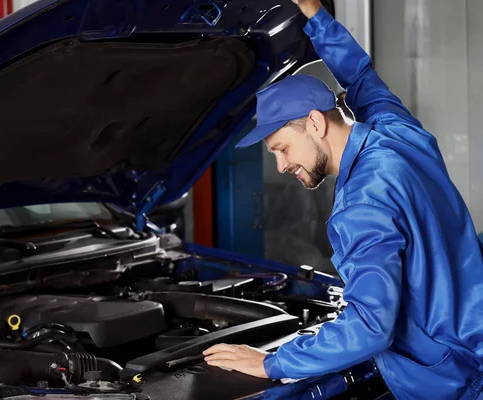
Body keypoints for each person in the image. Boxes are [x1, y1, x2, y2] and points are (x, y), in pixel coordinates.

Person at [202, 0, 483, 399]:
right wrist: (315, 16)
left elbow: (371, 325)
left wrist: (270, 363)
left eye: (282, 148)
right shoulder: (397, 132)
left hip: (457, 379)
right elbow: (361, 77)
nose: (281, 165)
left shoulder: (361, 206)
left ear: (315, 123)